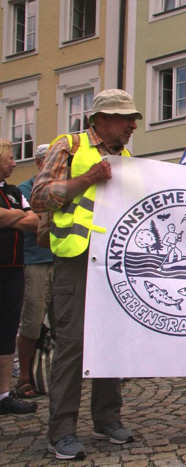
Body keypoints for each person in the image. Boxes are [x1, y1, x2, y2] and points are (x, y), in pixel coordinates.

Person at [31, 89, 141, 460]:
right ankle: (61, 430)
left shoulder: (126, 157)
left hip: (113, 263)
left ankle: (106, 418)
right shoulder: (70, 145)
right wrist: (88, 179)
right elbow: (40, 196)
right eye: (126, 118)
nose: (132, 125)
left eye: (133, 118)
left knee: (111, 341)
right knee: (73, 345)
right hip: (76, 259)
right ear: (102, 119)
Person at [0, 139, 39, 415]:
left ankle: (3, 394)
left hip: (13, 269)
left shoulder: (14, 191)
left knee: (6, 332)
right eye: (9, 157)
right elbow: (23, 219)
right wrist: (18, 217)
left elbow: (34, 221)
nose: (15, 162)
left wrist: (7, 216)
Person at [14, 144, 54, 399]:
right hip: (35, 263)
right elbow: (28, 224)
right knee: (31, 322)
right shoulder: (25, 190)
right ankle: (24, 377)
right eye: (52, 161)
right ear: (40, 164)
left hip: (59, 260)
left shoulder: (59, 188)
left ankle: (52, 374)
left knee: (62, 322)